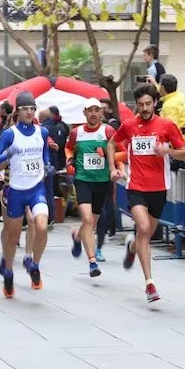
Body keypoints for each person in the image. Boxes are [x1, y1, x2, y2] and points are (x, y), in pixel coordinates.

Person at [111, 84, 185, 302]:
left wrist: (167, 151)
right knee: (143, 228)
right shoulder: (129, 125)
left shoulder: (166, 125)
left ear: (155, 103)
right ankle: (149, 284)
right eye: (140, 104)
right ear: (136, 104)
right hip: (136, 187)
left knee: (145, 235)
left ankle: (132, 247)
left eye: (148, 104)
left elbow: (184, 153)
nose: (144, 108)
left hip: (159, 189)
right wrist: (112, 169)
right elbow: (111, 143)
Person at [0, 91, 51, 299]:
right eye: (25, 109)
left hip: (37, 189)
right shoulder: (10, 134)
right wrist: (7, 154)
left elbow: (44, 154)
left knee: (41, 226)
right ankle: (8, 271)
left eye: (32, 108)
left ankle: (34, 265)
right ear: (18, 112)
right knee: (12, 236)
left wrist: (48, 165)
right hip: (15, 190)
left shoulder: (42, 132)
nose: (29, 112)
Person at [66, 98, 118, 277]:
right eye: (90, 110)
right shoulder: (76, 132)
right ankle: (92, 262)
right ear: (85, 113)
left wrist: (110, 160)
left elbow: (121, 151)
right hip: (83, 180)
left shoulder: (108, 131)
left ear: (101, 113)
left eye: (97, 110)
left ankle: (77, 235)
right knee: (87, 219)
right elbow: (69, 148)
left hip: (102, 182)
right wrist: (69, 160)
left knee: (92, 222)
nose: (94, 114)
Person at [158, 74, 185, 148]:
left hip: (181, 142)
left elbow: (171, 128)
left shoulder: (169, 105)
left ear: (162, 87)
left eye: (159, 85)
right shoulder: (181, 96)